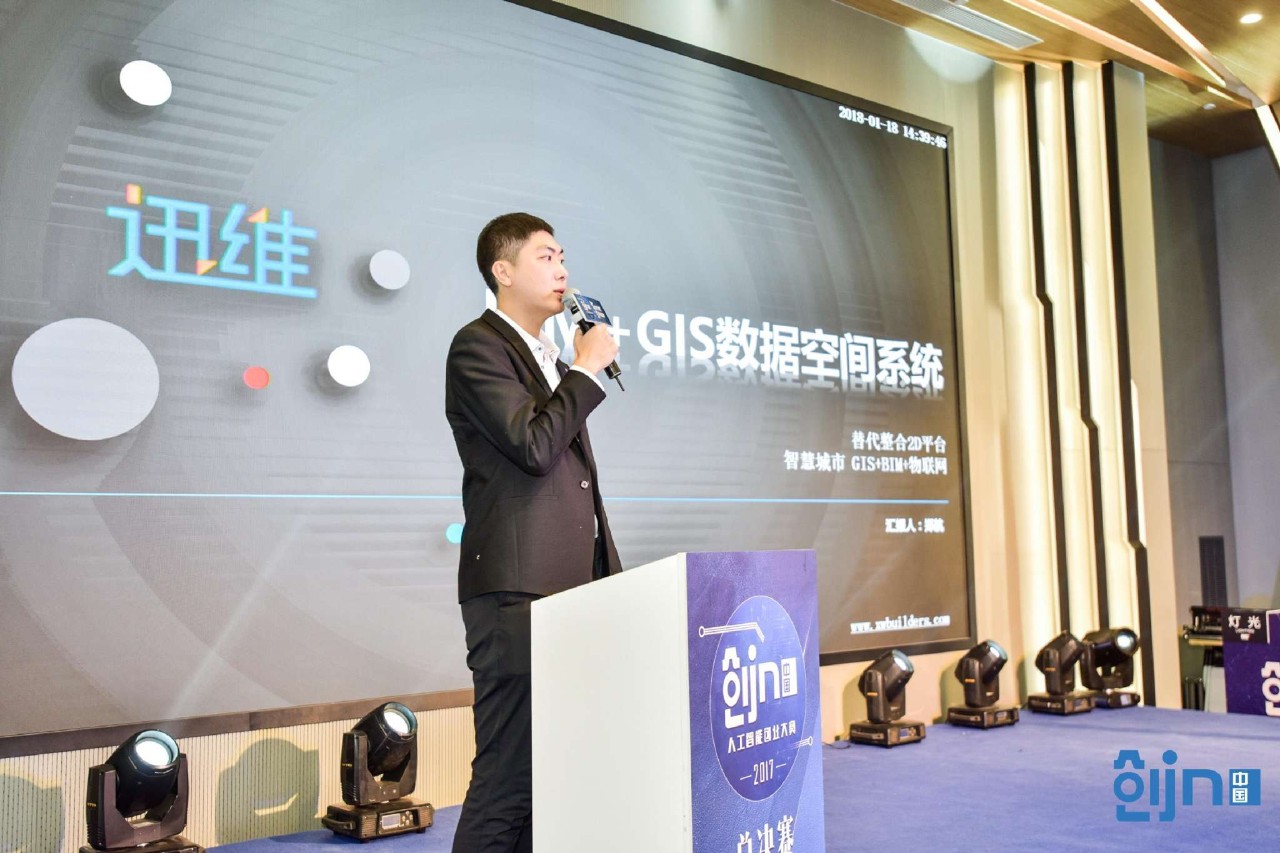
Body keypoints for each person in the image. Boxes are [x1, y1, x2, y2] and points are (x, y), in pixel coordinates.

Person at [445, 212, 623, 852]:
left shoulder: (546, 356)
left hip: (570, 590)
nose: (563, 270)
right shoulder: (478, 346)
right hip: (517, 592)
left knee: (551, 775)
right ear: (503, 270)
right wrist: (587, 369)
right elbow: (533, 446)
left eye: (563, 257)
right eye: (547, 257)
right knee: (509, 776)